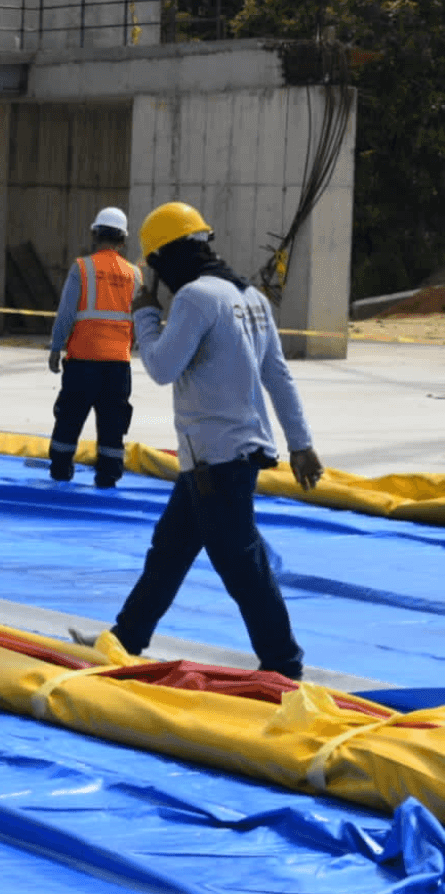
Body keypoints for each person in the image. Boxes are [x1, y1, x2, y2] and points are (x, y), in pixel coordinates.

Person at [95, 201, 324, 679]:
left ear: (168, 258)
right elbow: (277, 376)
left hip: (216, 459)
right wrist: (300, 442)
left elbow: (161, 367)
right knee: (170, 550)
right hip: (217, 457)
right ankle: (125, 638)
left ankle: (283, 664)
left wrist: (144, 315)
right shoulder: (250, 298)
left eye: (155, 265)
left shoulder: (197, 299)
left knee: (240, 562)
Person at [47, 206, 139, 488]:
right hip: (118, 365)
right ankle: (108, 476)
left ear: (95, 235)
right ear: (123, 239)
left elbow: (66, 313)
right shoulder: (134, 274)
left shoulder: (83, 268)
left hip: (84, 361)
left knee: (70, 418)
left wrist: (56, 347)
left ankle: (61, 472)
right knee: (113, 424)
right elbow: (138, 319)